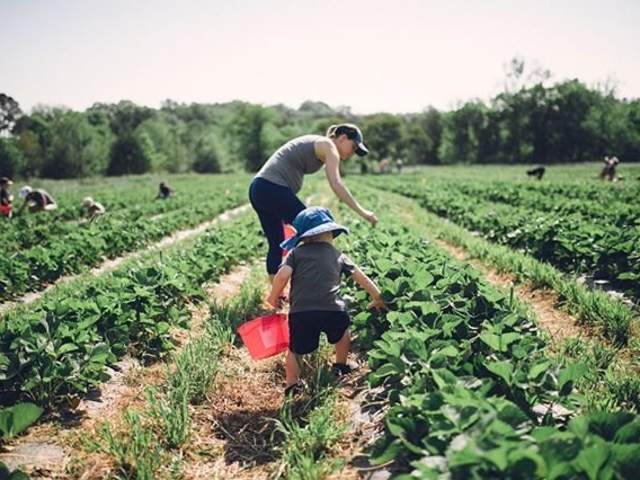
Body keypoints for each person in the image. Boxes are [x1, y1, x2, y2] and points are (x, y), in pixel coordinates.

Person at [266, 206, 385, 396]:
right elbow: (360, 277)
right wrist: (377, 296)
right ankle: (340, 365)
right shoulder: (338, 255)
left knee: (295, 350)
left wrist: (273, 296)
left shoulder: (295, 254)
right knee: (342, 334)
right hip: (333, 310)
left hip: (301, 313)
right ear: (330, 232)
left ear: (303, 237)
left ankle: (292, 384)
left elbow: (282, 275)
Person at [249, 123, 378, 281]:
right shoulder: (329, 146)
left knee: (277, 242)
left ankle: (275, 295)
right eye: (353, 147)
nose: (352, 153)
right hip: (273, 189)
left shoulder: (321, 145)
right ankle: (322, 282)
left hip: (258, 189)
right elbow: (336, 184)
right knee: (318, 231)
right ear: (343, 138)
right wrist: (363, 212)